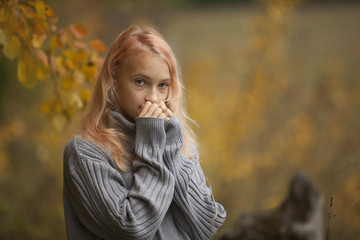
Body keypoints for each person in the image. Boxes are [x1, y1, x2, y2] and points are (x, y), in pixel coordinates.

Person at [63, 24, 226, 240]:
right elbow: (133, 229)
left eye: (163, 85)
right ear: (114, 78)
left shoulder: (179, 143)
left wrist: (169, 148)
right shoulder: (85, 152)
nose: (153, 98)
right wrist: (151, 144)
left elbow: (207, 224)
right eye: (140, 82)